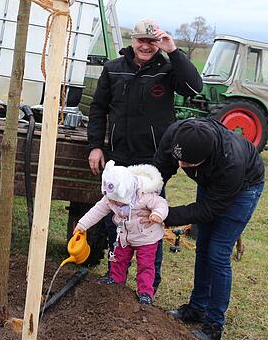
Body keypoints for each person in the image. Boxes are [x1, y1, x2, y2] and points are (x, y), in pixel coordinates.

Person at [86, 18, 203, 290]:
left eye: (153, 42)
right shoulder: (113, 69)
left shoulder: (167, 69)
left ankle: (150, 284)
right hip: (119, 159)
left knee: (149, 221)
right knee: (113, 218)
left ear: (159, 44)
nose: (146, 47)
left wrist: (173, 51)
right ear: (132, 40)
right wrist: (95, 145)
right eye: (142, 41)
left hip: (153, 163)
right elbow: (98, 109)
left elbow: (194, 87)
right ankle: (114, 277)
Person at [145, 117, 264, 340]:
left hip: (244, 187)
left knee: (218, 252)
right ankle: (196, 308)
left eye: (187, 164)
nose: (180, 166)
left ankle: (213, 325)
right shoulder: (175, 136)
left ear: (205, 158)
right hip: (211, 182)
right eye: (179, 160)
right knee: (203, 247)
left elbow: (209, 209)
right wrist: (148, 200)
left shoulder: (231, 163)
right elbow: (159, 173)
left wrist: (167, 216)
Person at [74, 161, 168, 305]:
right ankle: (116, 280)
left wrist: (157, 215)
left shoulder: (144, 195)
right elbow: (97, 210)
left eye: (118, 202)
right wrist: (82, 225)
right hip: (124, 235)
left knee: (146, 265)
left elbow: (161, 204)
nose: (114, 204)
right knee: (117, 258)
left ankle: (145, 292)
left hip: (146, 237)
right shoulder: (111, 196)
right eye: (112, 201)